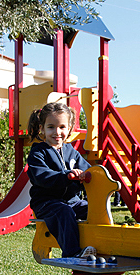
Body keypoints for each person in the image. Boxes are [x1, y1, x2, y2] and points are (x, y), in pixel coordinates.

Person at [26, 102, 96, 258]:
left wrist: (88, 176)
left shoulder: (71, 151)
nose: (57, 132)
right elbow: (41, 176)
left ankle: (100, 245)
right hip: (46, 203)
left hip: (72, 201)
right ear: (42, 128)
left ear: (69, 128)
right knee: (64, 212)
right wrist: (66, 175)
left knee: (94, 209)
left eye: (62, 127)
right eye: (51, 127)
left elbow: (88, 170)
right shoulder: (38, 152)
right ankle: (72, 253)